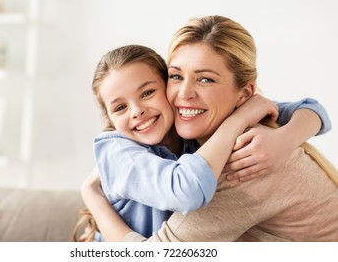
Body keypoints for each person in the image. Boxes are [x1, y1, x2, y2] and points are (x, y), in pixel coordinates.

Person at [81, 15, 337, 242]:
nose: (184, 94)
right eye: (177, 76)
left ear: (244, 95)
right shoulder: (227, 128)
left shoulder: (246, 162)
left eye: (205, 79)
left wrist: (93, 198)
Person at [77, 44, 280, 242]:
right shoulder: (118, 152)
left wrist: (287, 137)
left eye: (147, 93)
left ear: (168, 88)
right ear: (110, 119)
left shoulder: (188, 126)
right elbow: (186, 191)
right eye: (120, 107)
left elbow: (280, 108)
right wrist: (238, 121)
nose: (137, 111)